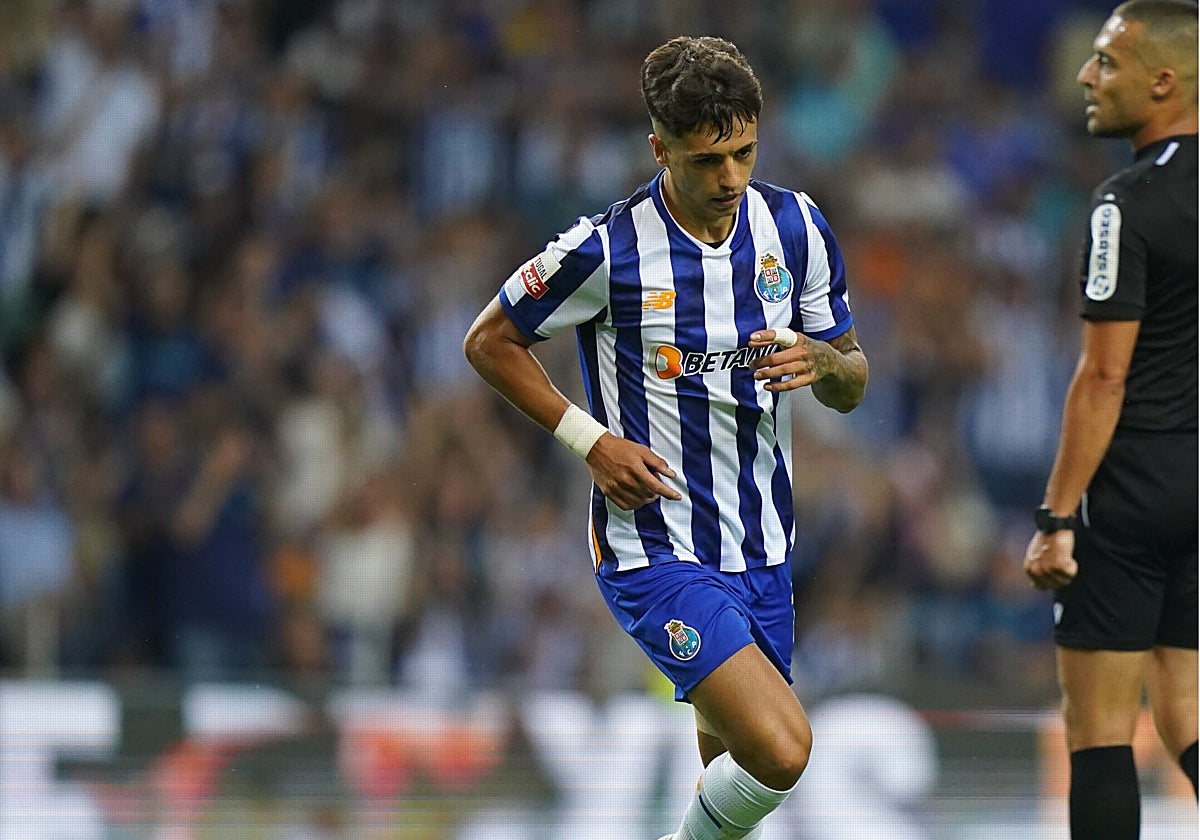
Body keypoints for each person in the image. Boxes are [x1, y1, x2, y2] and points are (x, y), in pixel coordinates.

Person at [464, 35, 867, 840]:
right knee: (783, 749)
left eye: (745, 153)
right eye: (707, 160)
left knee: (730, 783)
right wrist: (590, 441)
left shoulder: (795, 227)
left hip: (762, 545)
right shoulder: (605, 250)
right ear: (660, 149)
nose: (730, 178)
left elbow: (851, 383)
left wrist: (824, 360)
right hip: (655, 546)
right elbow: (489, 341)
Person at [1022, 2, 1198, 838]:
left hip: (1130, 487)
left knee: (1099, 734)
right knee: (1187, 712)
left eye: (1106, 62)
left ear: (1163, 82)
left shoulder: (1124, 203)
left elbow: (1102, 376)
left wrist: (1057, 517)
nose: (1086, 77)